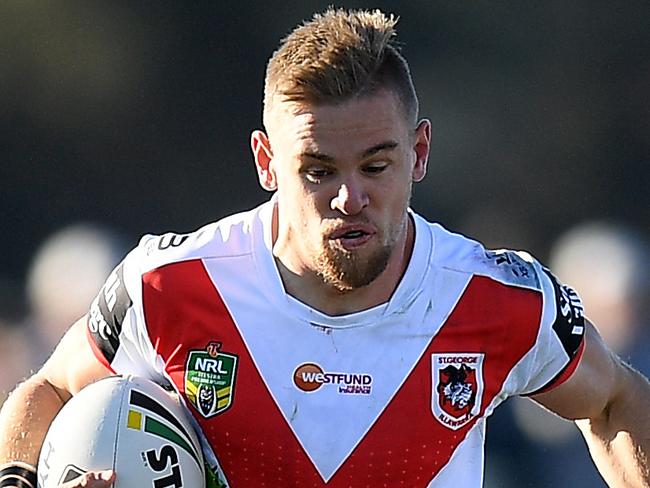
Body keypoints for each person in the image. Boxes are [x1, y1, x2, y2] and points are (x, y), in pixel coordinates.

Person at [1, 8, 649, 488]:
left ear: (419, 153)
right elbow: (51, 388)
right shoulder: (166, 288)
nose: (349, 197)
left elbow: (617, 399)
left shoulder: (499, 301)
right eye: (318, 171)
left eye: (376, 166)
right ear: (266, 161)